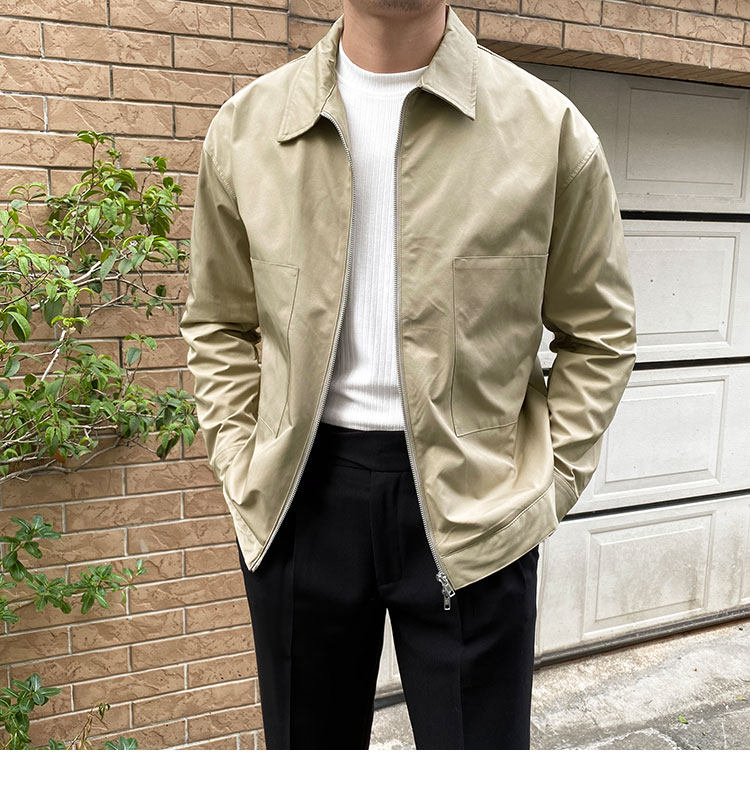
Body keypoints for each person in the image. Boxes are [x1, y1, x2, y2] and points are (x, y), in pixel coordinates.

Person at [179, 0, 637, 750]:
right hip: (299, 500)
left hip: (479, 501)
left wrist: (547, 484)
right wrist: (239, 458)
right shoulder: (248, 129)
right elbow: (217, 321)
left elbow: (600, 333)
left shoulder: (546, 130)